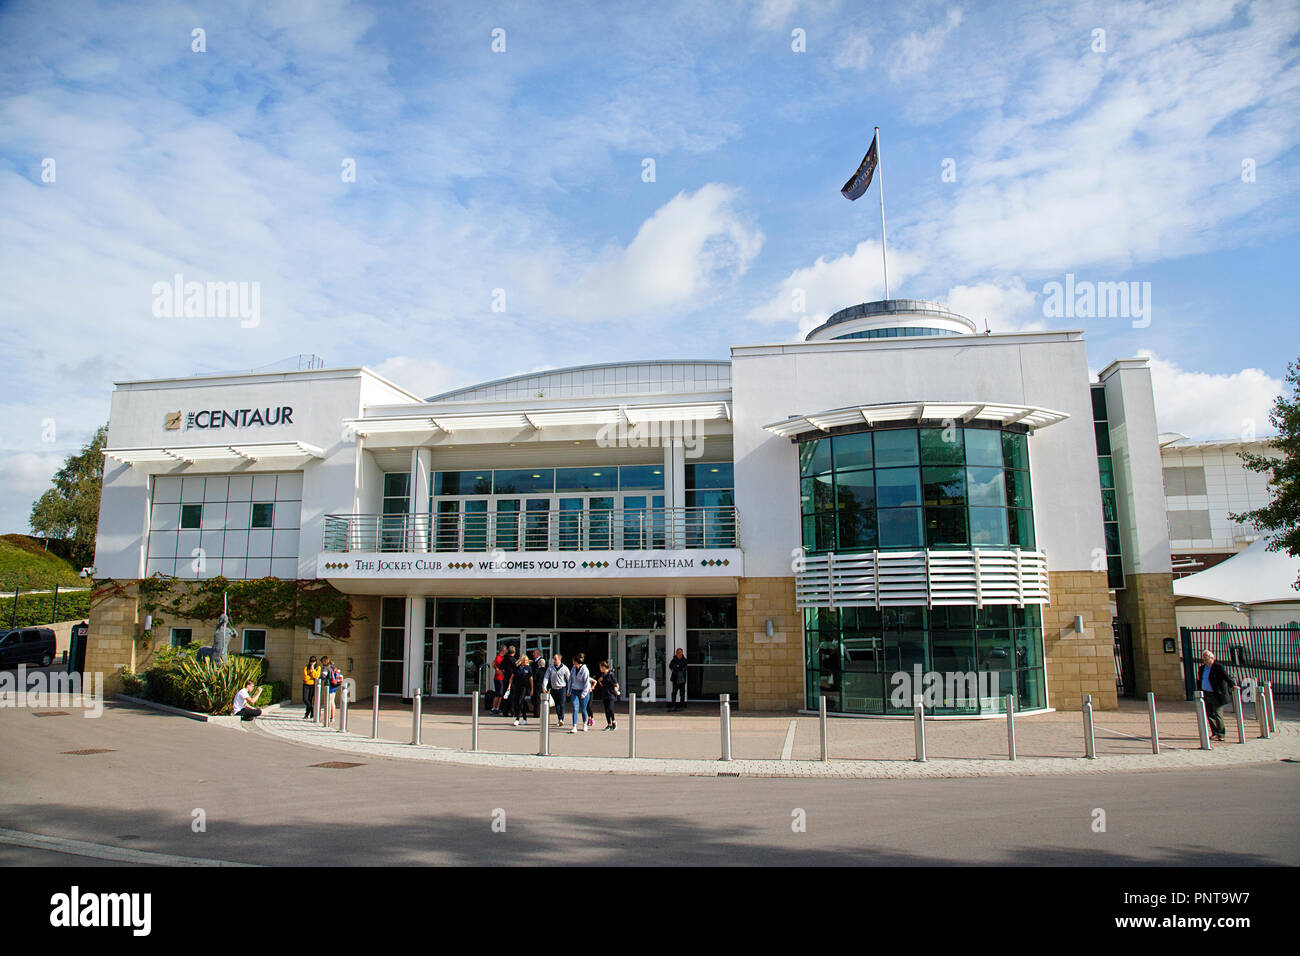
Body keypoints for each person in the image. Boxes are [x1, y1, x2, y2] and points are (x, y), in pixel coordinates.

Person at [1197, 650, 1236, 741]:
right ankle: (1214, 732)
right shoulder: (1202, 668)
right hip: (1206, 693)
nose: (1205, 660)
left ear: (1212, 658)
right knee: (1209, 714)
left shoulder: (1218, 667)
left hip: (1216, 694)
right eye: (1204, 658)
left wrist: (1233, 685)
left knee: (1218, 714)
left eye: (1206, 658)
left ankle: (1221, 734)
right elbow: (1200, 679)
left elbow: (1226, 677)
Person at [544, 653, 570, 726]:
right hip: (554, 688)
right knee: (557, 705)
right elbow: (546, 677)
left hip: (562, 688)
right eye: (553, 659)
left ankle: (562, 718)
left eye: (555, 659)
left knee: (562, 704)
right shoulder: (551, 668)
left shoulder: (564, 668)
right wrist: (544, 686)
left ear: (559, 659)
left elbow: (569, 679)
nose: (554, 661)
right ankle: (560, 719)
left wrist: (570, 689)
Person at [568, 653, 591, 733]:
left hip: (583, 691)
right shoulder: (573, 668)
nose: (572, 663)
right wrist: (569, 691)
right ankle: (574, 726)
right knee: (575, 708)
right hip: (574, 691)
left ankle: (585, 723)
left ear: (576, 661)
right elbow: (570, 680)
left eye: (573, 661)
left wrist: (584, 694)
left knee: (583, 709)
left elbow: (587, 683)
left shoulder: (585, 670)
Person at [509, 652, 534, 726]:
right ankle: (524, 718)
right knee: (518, 702)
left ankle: (517, 718)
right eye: (525, 660)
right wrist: (509, 686)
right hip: (517, 686)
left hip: (524, 687)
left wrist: (532, 689)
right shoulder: (516, 667)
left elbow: (531, 679)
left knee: (520, 701)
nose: (526, 662)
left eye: (527, 661)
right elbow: (512, 677)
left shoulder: (528, 668)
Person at [596, 661, 620, 731]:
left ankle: (614, 721)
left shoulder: (611, 674)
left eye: (601, 667)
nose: (600, 668)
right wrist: (600, 681)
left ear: (604, 667)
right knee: (606, 709)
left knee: (610, 708)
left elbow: (616, 684)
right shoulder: (603, 675)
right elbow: (602, 684)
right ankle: (609, 724)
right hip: (605, 693)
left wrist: (616, 690)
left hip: (611, 694)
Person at [302, 655, 320, 720]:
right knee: (305, 699)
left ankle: (307, 714)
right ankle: (312, 710)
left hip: (313, 685)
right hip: (306, 685)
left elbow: (316, 676)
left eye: (313, 661)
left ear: (315, 662)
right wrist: (311, 677)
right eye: (311, 661)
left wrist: (312, 670)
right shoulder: (306, 667)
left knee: (310, 699)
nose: (312, 663)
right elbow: (305, 677)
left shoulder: (318, 668)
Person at [530, 649, 547, 719]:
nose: (533, 654)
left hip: (538, 684)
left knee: (537, 698)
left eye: (534, 653)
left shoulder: (540, 664)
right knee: (536, 698)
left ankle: (537, 713)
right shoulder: (534, 662)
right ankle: (537, 711)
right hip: (537, 683)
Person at [490, 646, 507, 714]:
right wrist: (499, 671)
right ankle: (494, 707)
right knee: (498, 693)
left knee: (501, 694)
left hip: (501, 677)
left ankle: (498, 707)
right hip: (498, 678)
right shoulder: (499, 657)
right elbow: (494, 664)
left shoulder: (502, 657)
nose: (506, 651)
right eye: (505, 650)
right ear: (503, 650)